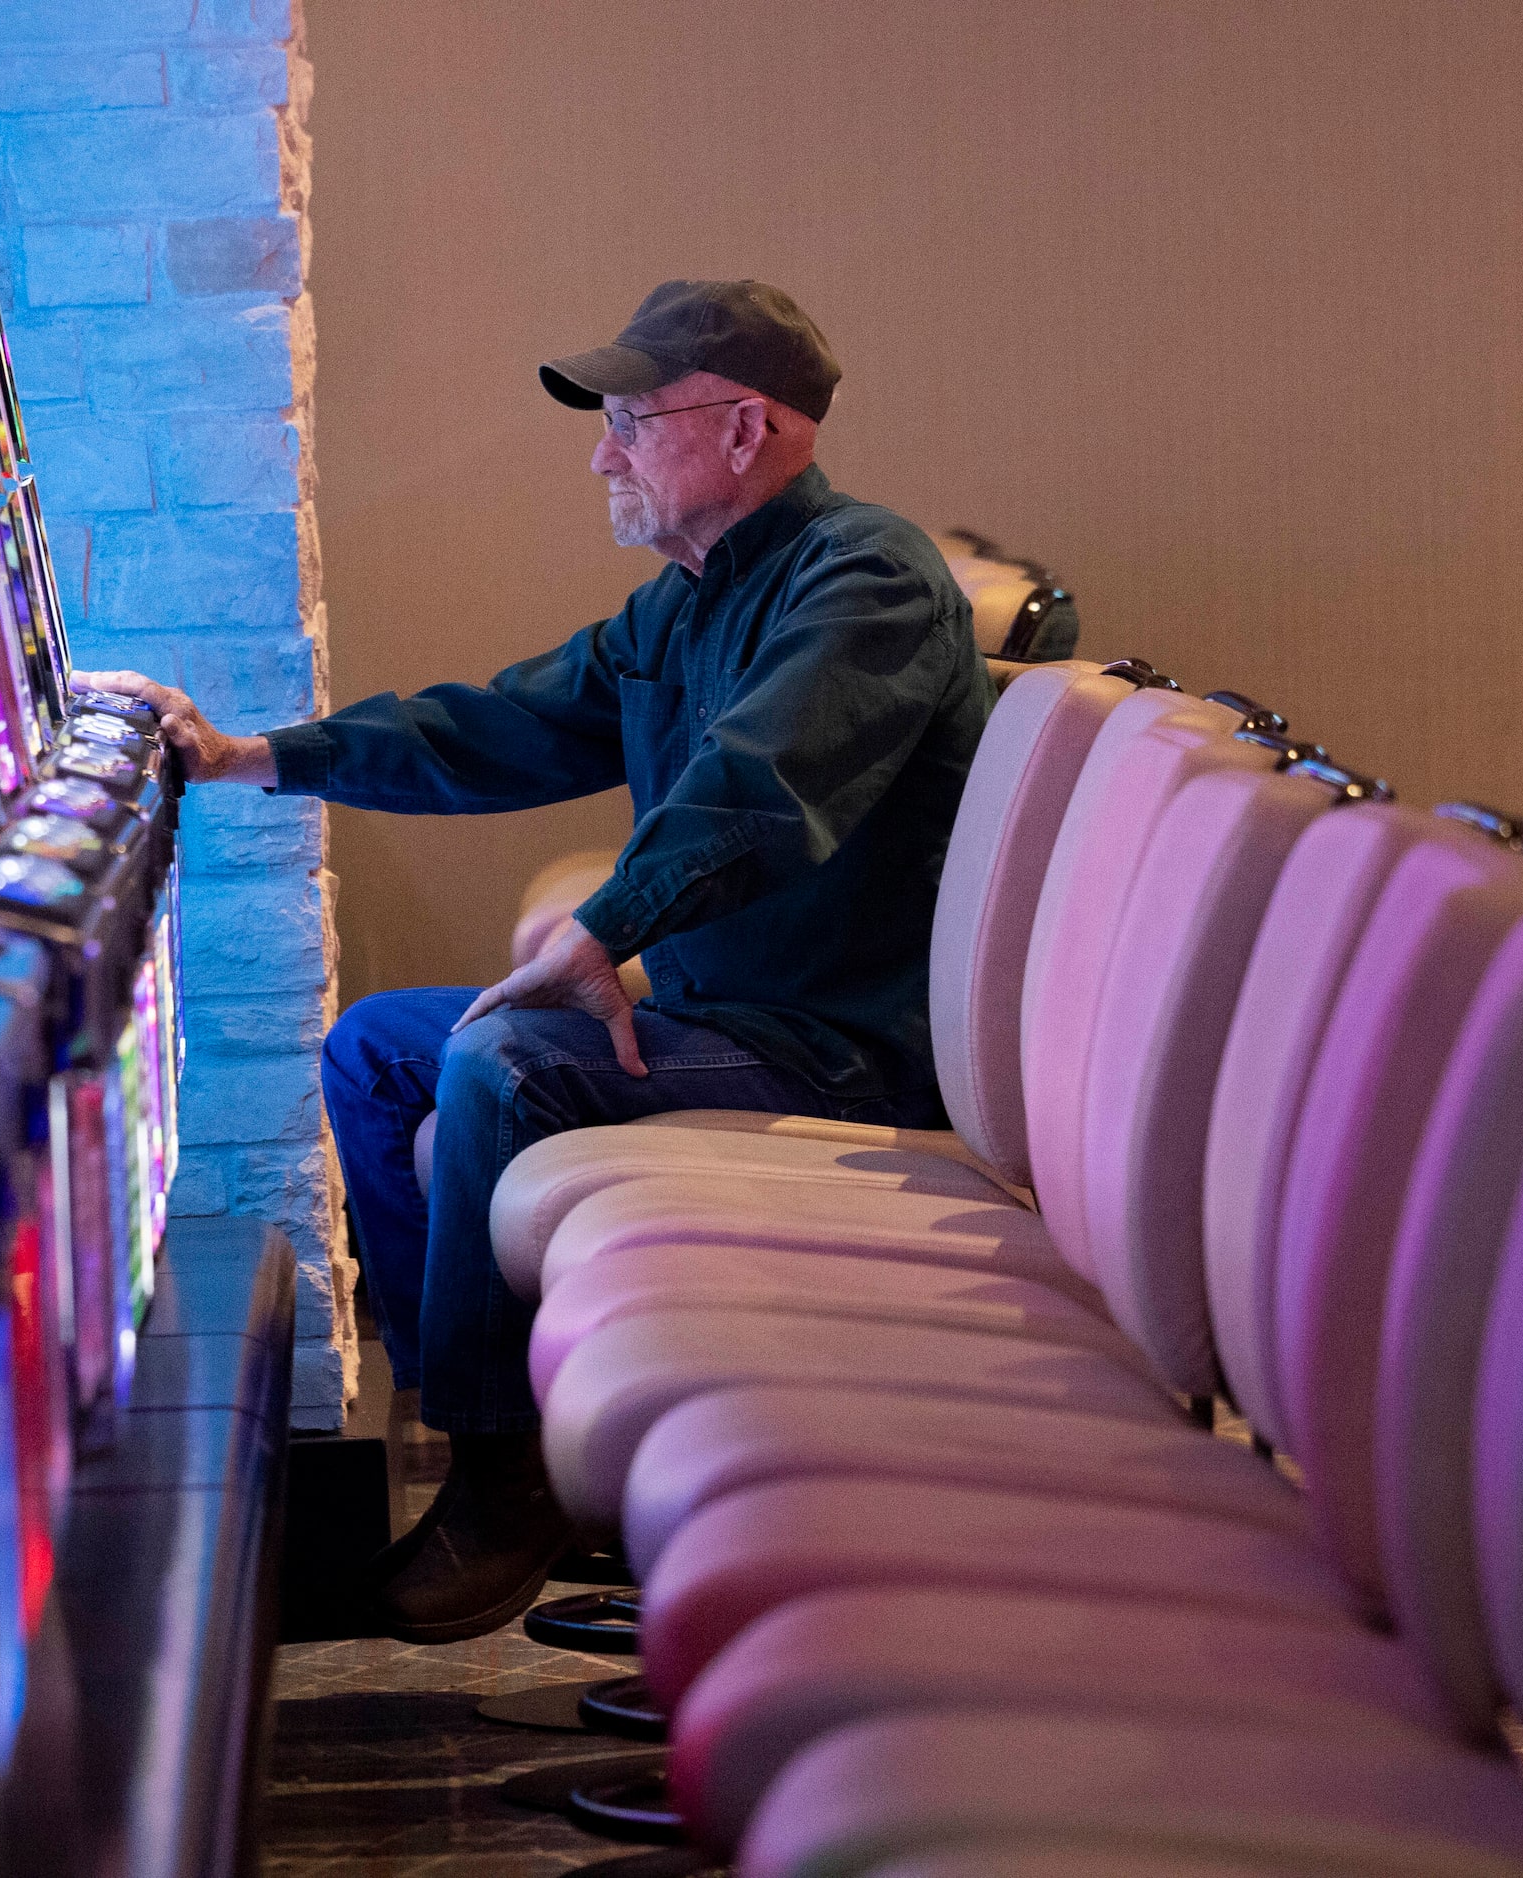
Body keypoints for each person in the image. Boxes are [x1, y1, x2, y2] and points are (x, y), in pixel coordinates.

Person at [83, 279, 994, 1642]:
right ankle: (509, 1451)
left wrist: (605, 927)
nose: (600, 454)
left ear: (743, 430)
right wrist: (251, 758)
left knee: (502, 1060)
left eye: (631, 421)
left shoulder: (866, 581)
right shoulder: (682, 604)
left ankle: (500, 1480)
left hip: (840, 1049)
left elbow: (757, 788)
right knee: (378, 1052)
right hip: (723, 1014)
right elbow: (497, 726)